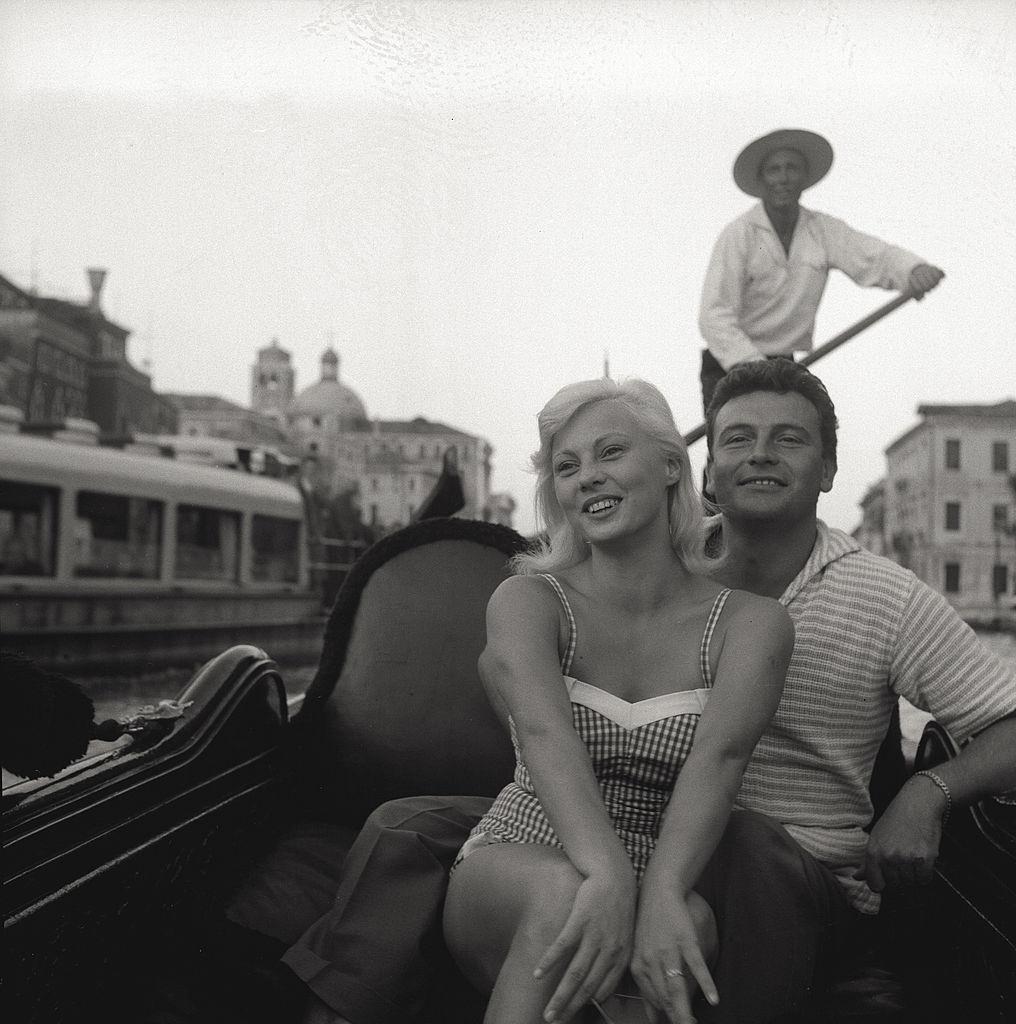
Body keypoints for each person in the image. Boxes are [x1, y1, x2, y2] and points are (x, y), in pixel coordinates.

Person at [284, 362, 1016, 1024]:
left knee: (739, 849)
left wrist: (930, 792)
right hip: (608, 825)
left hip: (776, 860)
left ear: (827, 469)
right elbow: (534, 706)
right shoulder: (644, 568)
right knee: (409, 824)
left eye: (788, 440)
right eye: (737, 439)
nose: (759, 454)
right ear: (702, 471)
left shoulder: (879, 597)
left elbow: (722, 757)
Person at [440, 378, 792, 1024]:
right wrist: (607, 879)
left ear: (668, 465)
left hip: (662, 868)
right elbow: (545, 739)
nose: (588, 479)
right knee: (562, 895)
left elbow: (721, 760)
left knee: (686, 932)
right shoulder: (526, 602)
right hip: (517, 858)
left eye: (610, 453)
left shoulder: (751, 624)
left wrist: (656, 893)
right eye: (567, 468)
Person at [697, 128, 946, 414]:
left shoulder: (822, 230)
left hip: (785, 366)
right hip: (730, 364)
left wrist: (913, 269)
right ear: (761, 180)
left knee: (796, 447)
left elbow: (872, 255)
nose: (783, 178)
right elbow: (713, 315)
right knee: (733, 451)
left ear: (805, 178)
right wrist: (754, 367)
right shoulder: (739, 234)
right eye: (774, 170)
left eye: (792, 168)